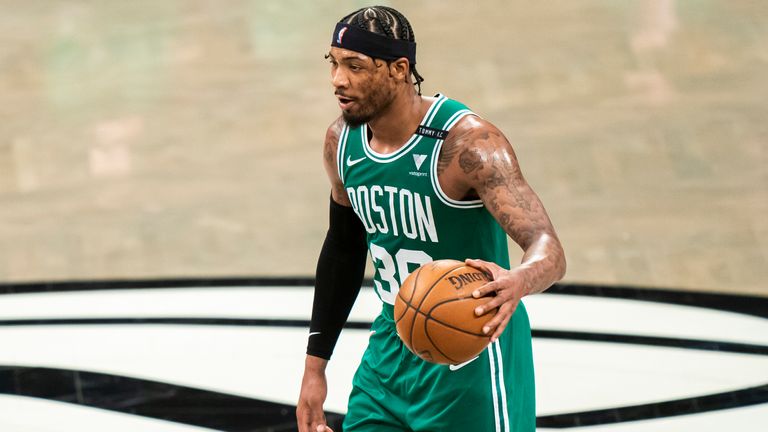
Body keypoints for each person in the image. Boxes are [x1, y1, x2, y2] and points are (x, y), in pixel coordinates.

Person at [297, 6, 566, 432]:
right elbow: (344, 251)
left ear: (399, 69)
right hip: (390, 355)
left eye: (354, 66)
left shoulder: (469, 146)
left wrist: (519, 281)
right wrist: (315, 370)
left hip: (472, 355)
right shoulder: (341, 142)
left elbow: (548, 248)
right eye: (333, 62)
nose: (337, 80)